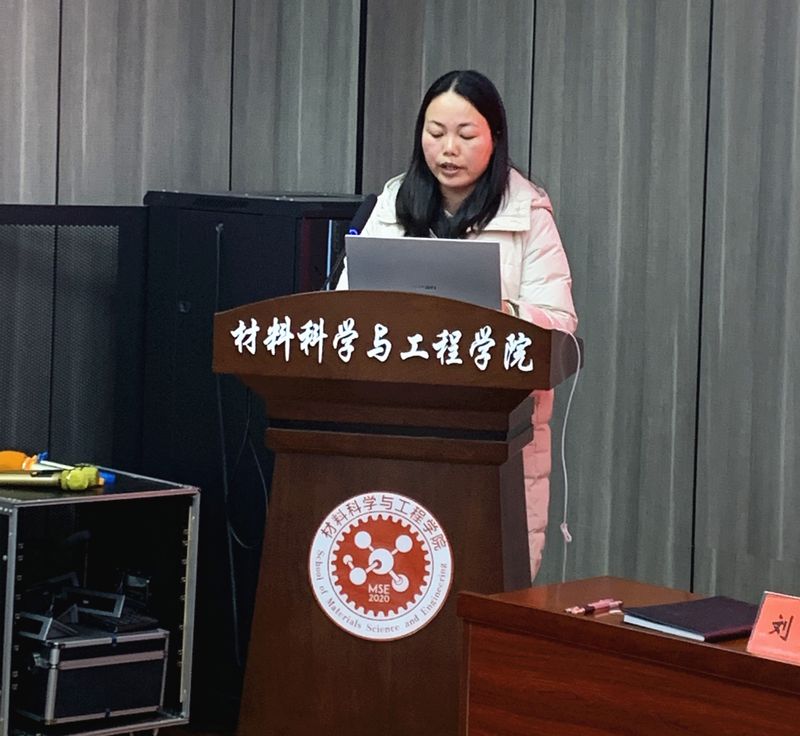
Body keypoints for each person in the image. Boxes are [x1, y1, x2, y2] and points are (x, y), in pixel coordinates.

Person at [337, 69, 577, 581]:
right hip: (396, 424)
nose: (448, 149)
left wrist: (502, 313)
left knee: (480, 582)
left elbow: (559, 327)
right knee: (400, 580)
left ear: (495, 137)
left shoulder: (528, 214)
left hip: (497, 437)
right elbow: (345, 310)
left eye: (466, 135)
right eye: (435, 132)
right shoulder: (391, 204)